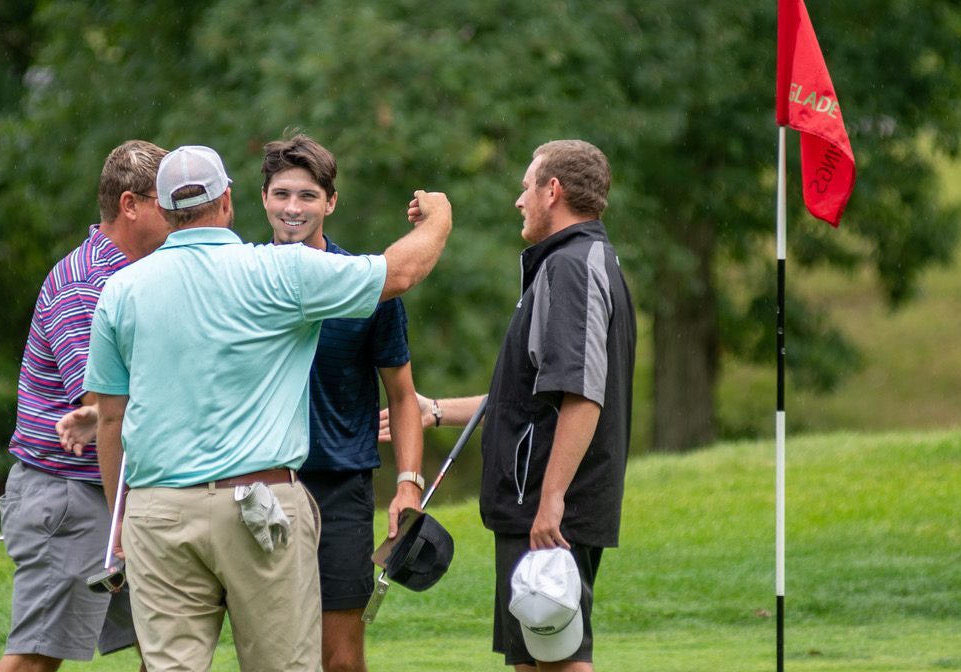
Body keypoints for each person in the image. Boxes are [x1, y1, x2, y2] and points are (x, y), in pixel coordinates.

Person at [85, 145, 451, 671]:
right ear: (229, 201)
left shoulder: (120, 290)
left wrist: (119, 518)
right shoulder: (280, 271)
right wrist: (439, 218)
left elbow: (111, 419)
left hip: (157, 510)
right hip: (257, 506)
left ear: (162, 210)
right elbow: (400, 274)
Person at [381, 140, 635, 672]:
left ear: (552, 190)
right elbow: (531, 396)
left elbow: (583, 395)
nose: (519, 200)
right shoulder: (567, 263)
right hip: (535, 504)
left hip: (549, 509)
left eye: (526, 187)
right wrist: (434, 411)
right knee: (534, 660)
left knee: (559, 660)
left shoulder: (571, 267)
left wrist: (552, 500)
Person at [0, 140, 168, 672]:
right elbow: (100, 407)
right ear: (130, 205)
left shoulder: (148, 274)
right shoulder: (84, 284)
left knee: (168, 649)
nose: (180, 212)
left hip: (125, 490)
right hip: (71, 495)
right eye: (166, 200)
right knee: (35, 659)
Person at [261, 134, 424, 672]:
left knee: (341, 659)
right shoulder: (238, 278)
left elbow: (402, 395)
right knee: (269, 653)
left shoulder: (368, 287)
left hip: (341, 486)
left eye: (308, 196)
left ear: (331, 202)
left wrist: (408, 483)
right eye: (282, 194)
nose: (293, 208)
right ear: (263, 199)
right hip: (257, 482)